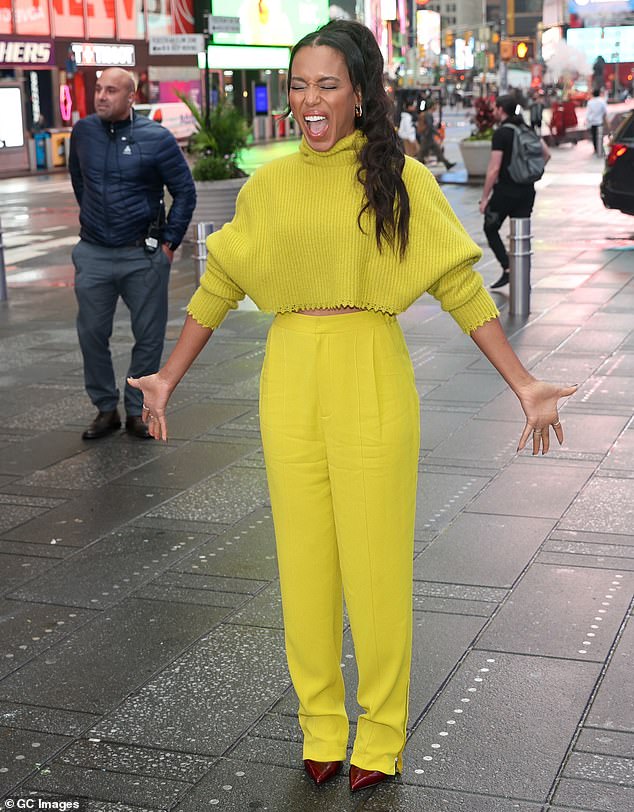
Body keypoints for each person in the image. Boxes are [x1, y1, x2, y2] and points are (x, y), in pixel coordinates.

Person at [128, 21, 575, 792]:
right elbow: (221, 284)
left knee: (374, 567)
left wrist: (524, 382)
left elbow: (459, 285)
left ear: (360, 94)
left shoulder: (403, 180)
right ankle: (321, 726)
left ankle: (382, 733)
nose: (308, 98)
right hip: (291, 373)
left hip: (371, 368)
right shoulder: (270, 184)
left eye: (326, 84)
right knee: (302, 567)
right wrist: (168, 376)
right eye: (299, 83)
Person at [68, 68, 196, 440]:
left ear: (131, 98)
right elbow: (80, 181)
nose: (102, 96)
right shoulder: (84, 133)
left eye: (111, 90)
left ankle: (137, 410)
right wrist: (93, 219)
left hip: (142, 255)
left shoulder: (156, 139)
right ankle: (106, 409)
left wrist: (169, 242)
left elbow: (185, 192)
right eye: (98, 89)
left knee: (149, 336)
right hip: (92, 251)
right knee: (91, 333)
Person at [480, 94, 551, 289]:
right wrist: (529, 172)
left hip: (505, 192)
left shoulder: (502, 133)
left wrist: (485, 198)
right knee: (520, 232)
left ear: (501, 109)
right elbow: (546, 154)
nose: (494, 111)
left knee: (490, 227)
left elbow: (494, 169)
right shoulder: (526, 129)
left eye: (495, 108)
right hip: (527, 192)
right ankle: (520, 273)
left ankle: (508, 268)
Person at [416, 100, 455, 170]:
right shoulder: (428, 114)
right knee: (422, 154)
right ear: (432, 106)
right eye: (435, 105)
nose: (436, 107)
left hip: (428, 137)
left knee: (436, 151)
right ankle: (416, 167)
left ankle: (447, 164)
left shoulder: (427, 114)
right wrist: (438, 133)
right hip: (427, 137)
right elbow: (430, 126)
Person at [585, 89, 609, 156]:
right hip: (599, 122)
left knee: (594, 137)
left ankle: (596, 149)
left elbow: (588, 113)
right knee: (600, 136)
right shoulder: (602, 101)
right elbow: (605, 112)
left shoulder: (590, 102)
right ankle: (600, 149)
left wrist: (587, 122)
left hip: (592, 123)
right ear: (599, 93)